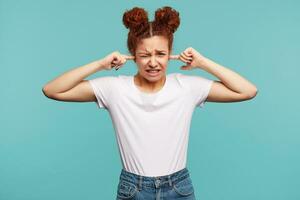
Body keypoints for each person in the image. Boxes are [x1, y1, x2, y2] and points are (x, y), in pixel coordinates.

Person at [42, 6, 258, 200]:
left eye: (160, 54)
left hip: (179, 188)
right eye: (145, 55)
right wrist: (100, 64)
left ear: (170, 56)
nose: (153, 62)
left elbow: (248, 91)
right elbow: (52, 90)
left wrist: (203, 63)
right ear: (133, 56)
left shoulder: (187, 87)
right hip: (133, 189)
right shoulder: (115, 89)